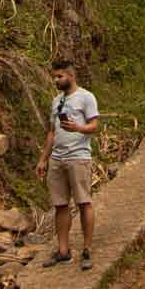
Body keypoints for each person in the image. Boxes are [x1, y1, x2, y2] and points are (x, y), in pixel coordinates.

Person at [36, 58, 98, 271]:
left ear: (71, 75)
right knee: (60, 205)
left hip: (78, 156)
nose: (56, 80)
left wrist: (78, 128)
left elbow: (94, 125)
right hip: (57, 159)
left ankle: (87, 249)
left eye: (60, 76)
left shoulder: (86, 97)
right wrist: (43, 159)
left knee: (84, 202)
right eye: (55, 76)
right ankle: (63, 250)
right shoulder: (56, 101)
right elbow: (52, 132)